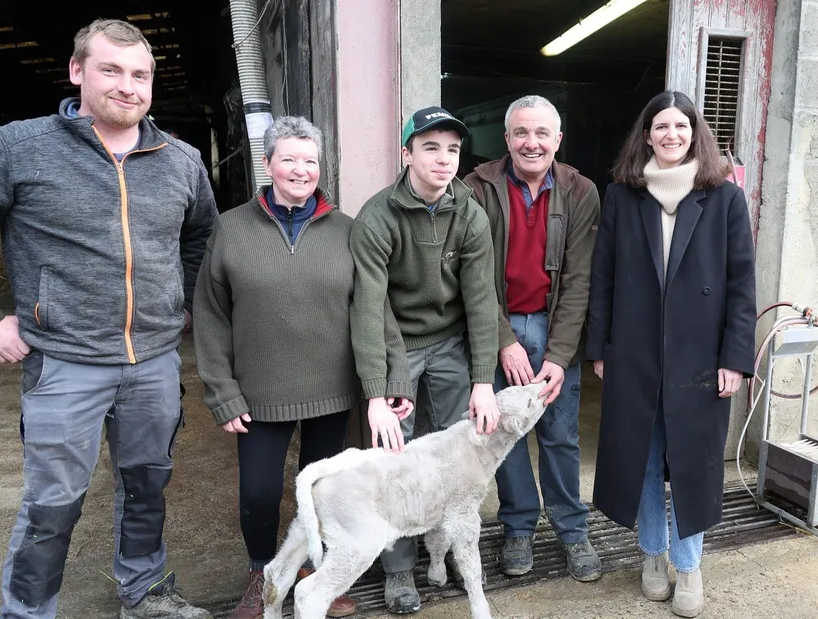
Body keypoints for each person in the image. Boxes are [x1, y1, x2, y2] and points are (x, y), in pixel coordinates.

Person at [0, 19, 217, 619]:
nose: (128, 86)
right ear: (77, 71)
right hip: (64, 362)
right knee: (53, 502)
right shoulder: (14, 148)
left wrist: (182, 301)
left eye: (140, 75)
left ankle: (145, 592)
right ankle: (27, 611)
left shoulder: (181, 160)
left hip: (154, 362)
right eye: (111, 70)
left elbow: (201, 238)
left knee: (147, 487)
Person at [192, 116, 413, 618]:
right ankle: (265, 575)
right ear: (267, 164)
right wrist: (222, 391)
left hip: (332, 390)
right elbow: (210, 315)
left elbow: (375, 311)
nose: (300, 170)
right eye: (289, 159)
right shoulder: (231, 229)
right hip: (259, 393)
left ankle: (317, 574)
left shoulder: (348, 230)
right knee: (260, 492)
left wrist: (394, 378)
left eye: (310, 160)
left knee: (325, 493)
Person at [586, 90, 756, 618]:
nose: (671, 135)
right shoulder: (623, 197)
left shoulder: (724, 198)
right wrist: (600, 348)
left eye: (681, 126)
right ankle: (652, 554)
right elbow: (603, 277)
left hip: (700, 356)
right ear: (647, 136)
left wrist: (735, 358)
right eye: (661, 126)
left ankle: (689, 564)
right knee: (640, 456)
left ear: (695, 134)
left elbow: (742, 285)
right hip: (635, 352)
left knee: (692, 463)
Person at [350, 106, 500, 613]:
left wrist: (483, 379)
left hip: (451, 342)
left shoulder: (469, 214)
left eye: (452, 149)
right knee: (396, 457)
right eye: (430, 147)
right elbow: (368, 309)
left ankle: (450, 552)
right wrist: (376, 394)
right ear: (407, 153)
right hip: (399, 346)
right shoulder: (378, 217)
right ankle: (398, 567)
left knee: (457, 454)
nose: (443, 159)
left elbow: (481, 301)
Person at [462, 95, 602, 582]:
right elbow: (472, 276)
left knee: (560, 434)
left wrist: (560, 357)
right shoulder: (476, 188)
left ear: (558, 140)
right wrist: (503, 340)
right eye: (521, 132)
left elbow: (579, 280)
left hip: (552, 323)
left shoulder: (581, 191)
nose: (531, 142)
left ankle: (571, 529)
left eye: (542, 133)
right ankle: (518, 527)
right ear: (506, 139)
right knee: (505, 433)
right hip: (493, 323)